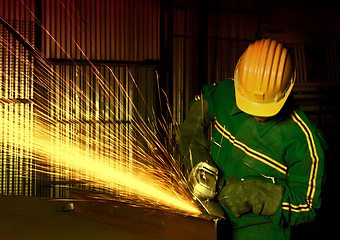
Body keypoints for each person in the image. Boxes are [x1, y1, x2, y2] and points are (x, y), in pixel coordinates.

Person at [176, 38, 327, 240]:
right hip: (205, 219)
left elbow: (308, 205)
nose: (258, 113)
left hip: (257, 232)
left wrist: (253, 195)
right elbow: (203, 103)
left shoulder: (304, 141)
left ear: (288, 88)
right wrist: (196, 154)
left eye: (266, 107)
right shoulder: (226, 93)